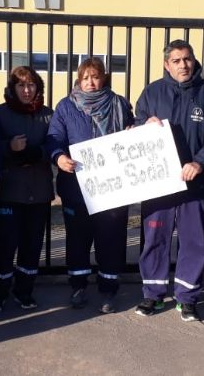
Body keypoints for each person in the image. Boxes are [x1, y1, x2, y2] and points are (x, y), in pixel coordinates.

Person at [133, 39, 204, 322]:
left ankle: (187, 298)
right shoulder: (152, 93)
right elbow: (136, 126)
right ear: (167, 64)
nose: (183, 65)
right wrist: (143, 126)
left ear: (194, 60)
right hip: (158, 184)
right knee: (154, 238)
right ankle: (152, 294)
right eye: (176, 61)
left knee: (193, 241)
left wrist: (199, 162)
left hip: (195, 183)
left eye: (187, 59)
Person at [47, 57, 134, 314]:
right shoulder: (66, 106)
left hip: (113, 187)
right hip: (76, 188)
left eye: (95, 77)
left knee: (111, 239)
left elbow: (132, 130)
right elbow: (53, 139)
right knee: (78, 239)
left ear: (103, 78)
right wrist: (59, 158)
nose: (90, 82)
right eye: (85, 77)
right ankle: (78, 286)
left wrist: (135, 130)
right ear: (78, 79)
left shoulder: (119, 104)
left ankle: (108, 290)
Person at [0, 66, 54, 313]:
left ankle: (24, 291)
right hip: (9, 192)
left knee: (32, 245)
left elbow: (57, 144)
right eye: (21, 85)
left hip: (39, 192)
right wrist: (9, 148)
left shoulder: (49, 114)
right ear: (12, 88)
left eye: (32, 85)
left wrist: (40, 152)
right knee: (4, 245)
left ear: (38, 88)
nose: (27, 90)